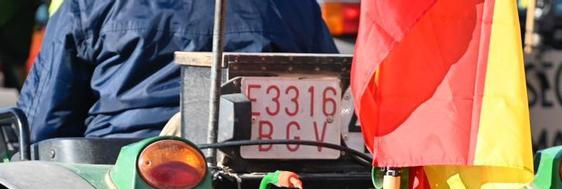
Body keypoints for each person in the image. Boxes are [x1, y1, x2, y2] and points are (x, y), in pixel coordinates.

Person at [19, 0, 337, 142]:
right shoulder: (296, 5)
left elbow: (42, 121)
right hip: (261, 179)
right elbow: (330, 92)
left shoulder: (91, 4)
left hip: (118, 179)